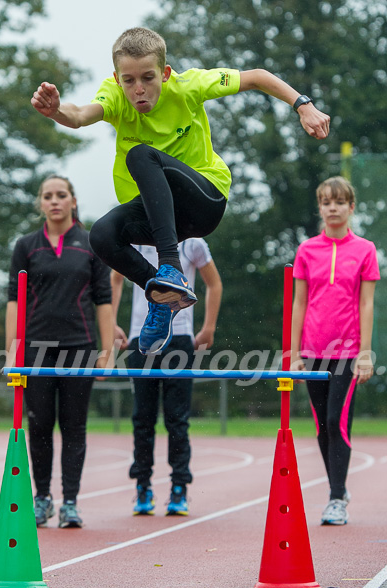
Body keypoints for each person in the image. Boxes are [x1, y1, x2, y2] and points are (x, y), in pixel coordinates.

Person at [30, 26, 330, 356]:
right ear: (117, 79)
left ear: (166, 73)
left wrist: (303, 105)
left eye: (148, 78)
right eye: (128, 81)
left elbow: (256, 76)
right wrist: (56, 110)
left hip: (204, 201)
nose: (138, 90)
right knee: (100, 234)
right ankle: (163, 295)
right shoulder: (114, 95)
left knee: (141, 154)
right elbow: (79, 115)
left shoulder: (188, 86)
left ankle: (170, 267)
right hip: (161, 214)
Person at [6, 175, 114, 529]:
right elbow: (13, 301)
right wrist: (12, 351)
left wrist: (107, 350)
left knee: (74, 427)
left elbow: (103, 300)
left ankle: (70, 502)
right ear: (40, 203)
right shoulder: (26, 246)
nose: (55, 201)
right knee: (38, 427)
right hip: (36, 349)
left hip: (79, 348)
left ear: (73, 201)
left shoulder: (89, 244)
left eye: (61, 195)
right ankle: (42, 499)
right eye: (47, 196)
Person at [291, 176, 380, 526]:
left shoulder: (365, 250)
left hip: (347, 351)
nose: (332, 208)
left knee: (336, 421)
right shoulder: (306, 250)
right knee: (321, 426)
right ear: (320, 207)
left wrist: (365, 353)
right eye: (326, 202)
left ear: (351, 207)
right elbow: (299, 303)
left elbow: (367, 304)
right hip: (313, 351)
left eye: (339, 202)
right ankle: (339, 489)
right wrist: (294, 352)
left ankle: (335, 499)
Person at [111, 238, 222, 516]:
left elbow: (214, 283)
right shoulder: (135, 242)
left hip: (180, 339)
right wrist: (112, 322)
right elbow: (114, 279)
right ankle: (143, 486)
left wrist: (208, 327)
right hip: (141, 338)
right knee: (143, 418)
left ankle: (179, 487)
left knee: (177, 418)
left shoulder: (193, 243)